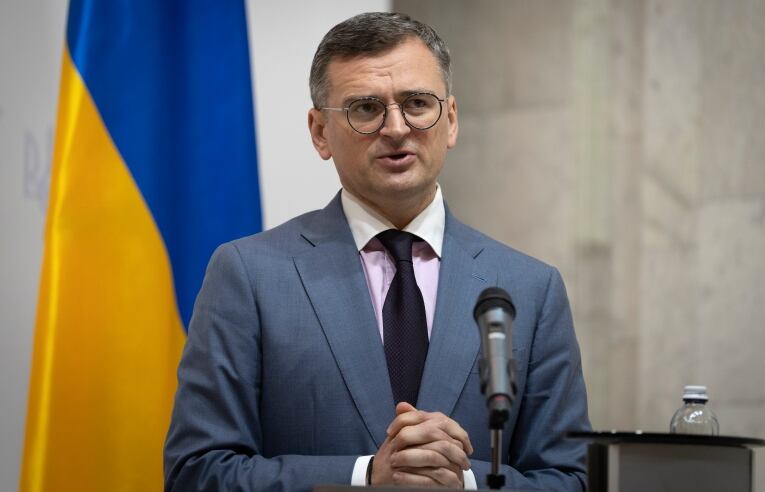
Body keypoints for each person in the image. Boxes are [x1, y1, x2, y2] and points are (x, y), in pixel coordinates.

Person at [164, 12, 590, 492]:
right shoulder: (249, 275)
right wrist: (365, 476)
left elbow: (569, 479)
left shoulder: (530, 288)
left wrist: (464, 484)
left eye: (416, 103)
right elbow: (195, 473)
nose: (395, 128)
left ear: (450, 120)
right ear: (320, 131)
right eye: (365, 108)